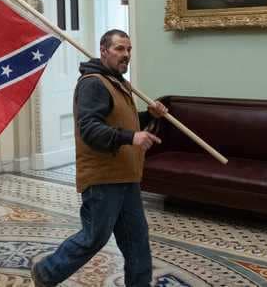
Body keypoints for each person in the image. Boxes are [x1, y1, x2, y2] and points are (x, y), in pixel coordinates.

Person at [31, 30, 168, 287]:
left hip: (125, 176)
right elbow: (91, 130)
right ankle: (47, 272)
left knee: (137, 239)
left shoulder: (116, 81)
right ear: (103, 50)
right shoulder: (93, 83)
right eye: (119, 49)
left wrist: (150, 116)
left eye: (128, 49)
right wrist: (131, 138)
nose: (126, 55)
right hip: (104, 178)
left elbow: (121, 120)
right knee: (94, 237)